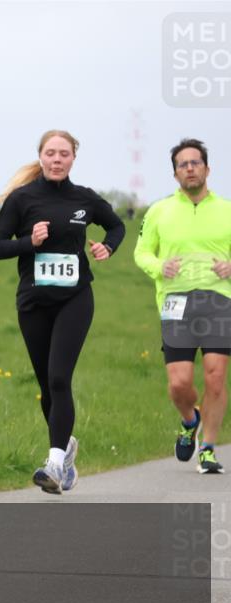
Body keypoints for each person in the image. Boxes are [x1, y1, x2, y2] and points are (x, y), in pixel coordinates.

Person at [0, 130, 126, 494]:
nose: (56, 159)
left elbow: (117, 225)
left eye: (64, 154)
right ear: (40, 156)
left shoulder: (85, 199)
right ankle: (66, 451)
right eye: (50, 153)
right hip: (33, 302)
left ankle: (52, 463)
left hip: (75, 298)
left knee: (59, 378)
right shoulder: (22, 200)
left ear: (73, 159)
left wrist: (108, 248)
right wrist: (28, 243)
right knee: (46, 387)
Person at [133, 138, 230, 474]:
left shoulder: (227, 209)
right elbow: (141, 252)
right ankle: (190, 420)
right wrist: (160, 267)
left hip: (219, 300)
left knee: (216, 378)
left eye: (195, 162)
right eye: (182, 164)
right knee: (178, 384)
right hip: (176, 302)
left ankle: (208, 448)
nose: (190, 168)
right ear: (175, 174)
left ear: (207, 168)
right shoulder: (158, 211)